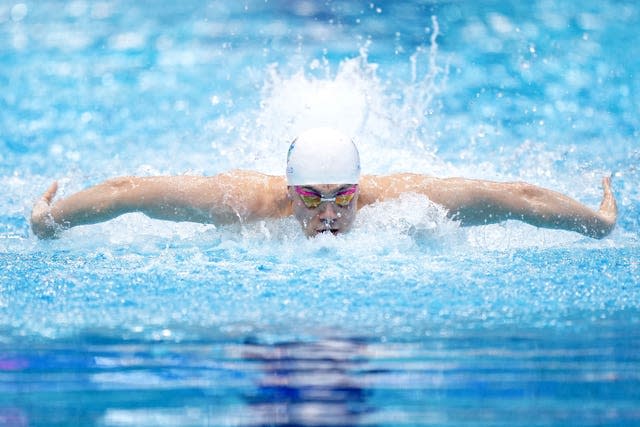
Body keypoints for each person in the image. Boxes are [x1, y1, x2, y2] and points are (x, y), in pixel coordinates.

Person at [31, 127, 617, 240]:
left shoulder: (408, 199)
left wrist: (598, 223)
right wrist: (50, 220)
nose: (329, 215)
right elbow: (128, 191)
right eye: (311, 199)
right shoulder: (241, 202)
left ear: (361, 190)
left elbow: (515, 198)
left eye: (343, 198)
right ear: (290, 193)